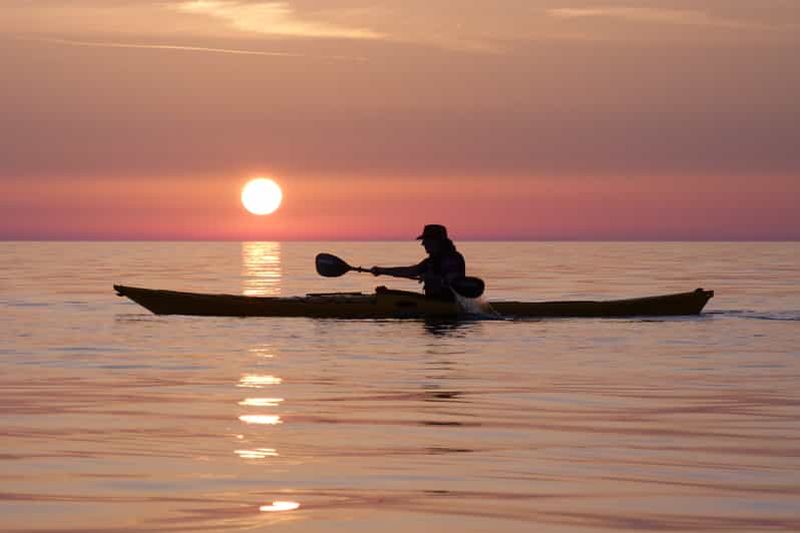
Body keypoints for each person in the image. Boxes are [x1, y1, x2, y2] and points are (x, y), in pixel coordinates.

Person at [370, 224, 466, 300]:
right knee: (385, 293)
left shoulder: (453, 259)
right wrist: (382, 270)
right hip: (431, 301)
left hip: (445, 306)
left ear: (437, 241)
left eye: (426, 240)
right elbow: (410, 271)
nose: (423, 243)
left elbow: (452, 281)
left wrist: (431, 278)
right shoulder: (430, 262)